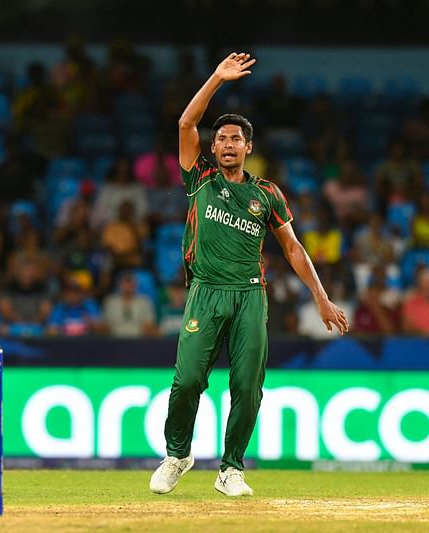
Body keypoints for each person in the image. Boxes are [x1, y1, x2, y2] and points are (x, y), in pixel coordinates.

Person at [148, 53, 348, 498]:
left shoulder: (267, 194)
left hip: (249, 296)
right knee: (187, 383)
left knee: (248, 388)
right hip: (205, 293)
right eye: (220, 139)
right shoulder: (199, 178)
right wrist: (217, 79)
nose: (227, 144)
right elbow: (185, 125)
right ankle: (177, 455)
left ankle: (231, 469)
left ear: (248, 148)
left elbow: (293, 248)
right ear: (213, 148)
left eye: (236, 138)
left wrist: (320, 296)